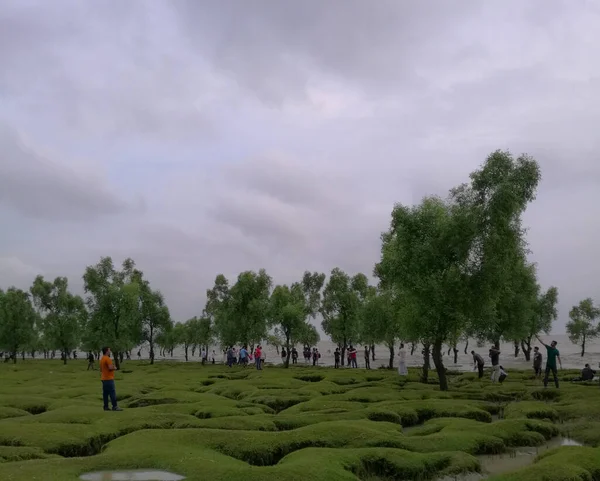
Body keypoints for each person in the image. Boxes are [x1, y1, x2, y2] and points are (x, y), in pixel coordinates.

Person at [100, 347, 122, 411]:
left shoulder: (102, 358)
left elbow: (101, 369)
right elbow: (110, 368)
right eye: (109, 350)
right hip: (109, 379)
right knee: (112, 392)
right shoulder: (107, 358)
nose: (110, 351)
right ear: (106, 351)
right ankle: (115, 406)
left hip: (103, 378)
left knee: (105, 393)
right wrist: (114, 367)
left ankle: (106, 406)